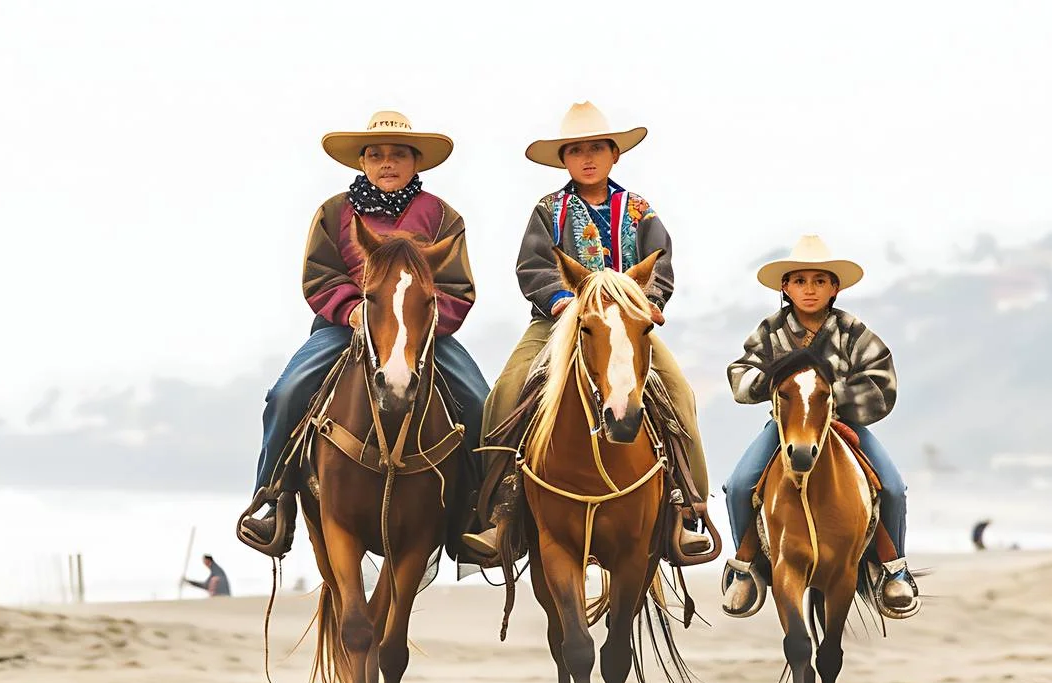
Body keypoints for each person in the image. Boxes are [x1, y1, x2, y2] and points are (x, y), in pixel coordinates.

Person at [464, 100, 710, 562]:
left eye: (597, 148)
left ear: (615, 154)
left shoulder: (639, 211)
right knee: (507, 390)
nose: (587, 157)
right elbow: (533, 265)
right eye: (576, 150)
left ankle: (686, 508)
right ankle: (500, 509)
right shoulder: (548, 210)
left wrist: (650, 304)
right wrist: (561, 300)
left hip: (627, 325)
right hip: (557, 322)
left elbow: (659, 264)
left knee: (678, 392)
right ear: (564, 159)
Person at [237, 110, 491, 557]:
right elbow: (319, 275)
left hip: (420, 331)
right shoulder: (334, 211)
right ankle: (273, 499)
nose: (387, 163)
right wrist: (352, 310)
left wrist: (420, 323)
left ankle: (477, 514)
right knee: (286, 393)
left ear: (416, 161)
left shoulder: (443, 217)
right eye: (376, 155)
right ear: (362, 162)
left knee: (480, 402)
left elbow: (457, 286)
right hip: (346, 326)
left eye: (398, 154)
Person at [719, 234, 916, 615]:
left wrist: (830, 396)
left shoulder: (852, 331)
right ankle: (748, 568)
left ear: (834, 288)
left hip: (842, 425)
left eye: (820, 281)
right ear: (785, 287)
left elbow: (882, 383)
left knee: (893, 487)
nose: (809, 290)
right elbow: (740, 374)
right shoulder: (771, 330)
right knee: (739, 486)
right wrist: (775, 384)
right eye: (800, 281)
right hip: (786, 427)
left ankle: (893, 569)